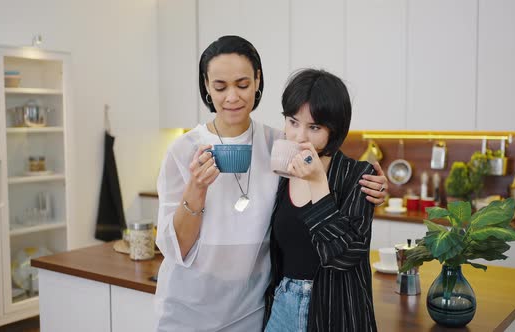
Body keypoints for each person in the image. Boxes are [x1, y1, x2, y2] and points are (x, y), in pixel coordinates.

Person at [154, 36, 386, 332]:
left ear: (257, 80)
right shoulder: (183, 150)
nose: (232, 97)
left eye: (242, 84)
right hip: (189, 309)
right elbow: (176, 249)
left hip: (251, 312)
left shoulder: (278, 144)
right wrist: (196, 189)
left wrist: (370, 182)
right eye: (220, 86)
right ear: (206, 86)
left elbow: (323, 151)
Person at [263, 69, 377, 332]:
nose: (300, 136)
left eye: (314, 127)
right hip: (283, 306)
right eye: (293, 122)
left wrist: (318, 184)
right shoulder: (282, 173)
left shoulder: (359, 176)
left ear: (334, 131)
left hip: (336, 313)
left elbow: (344, 257)